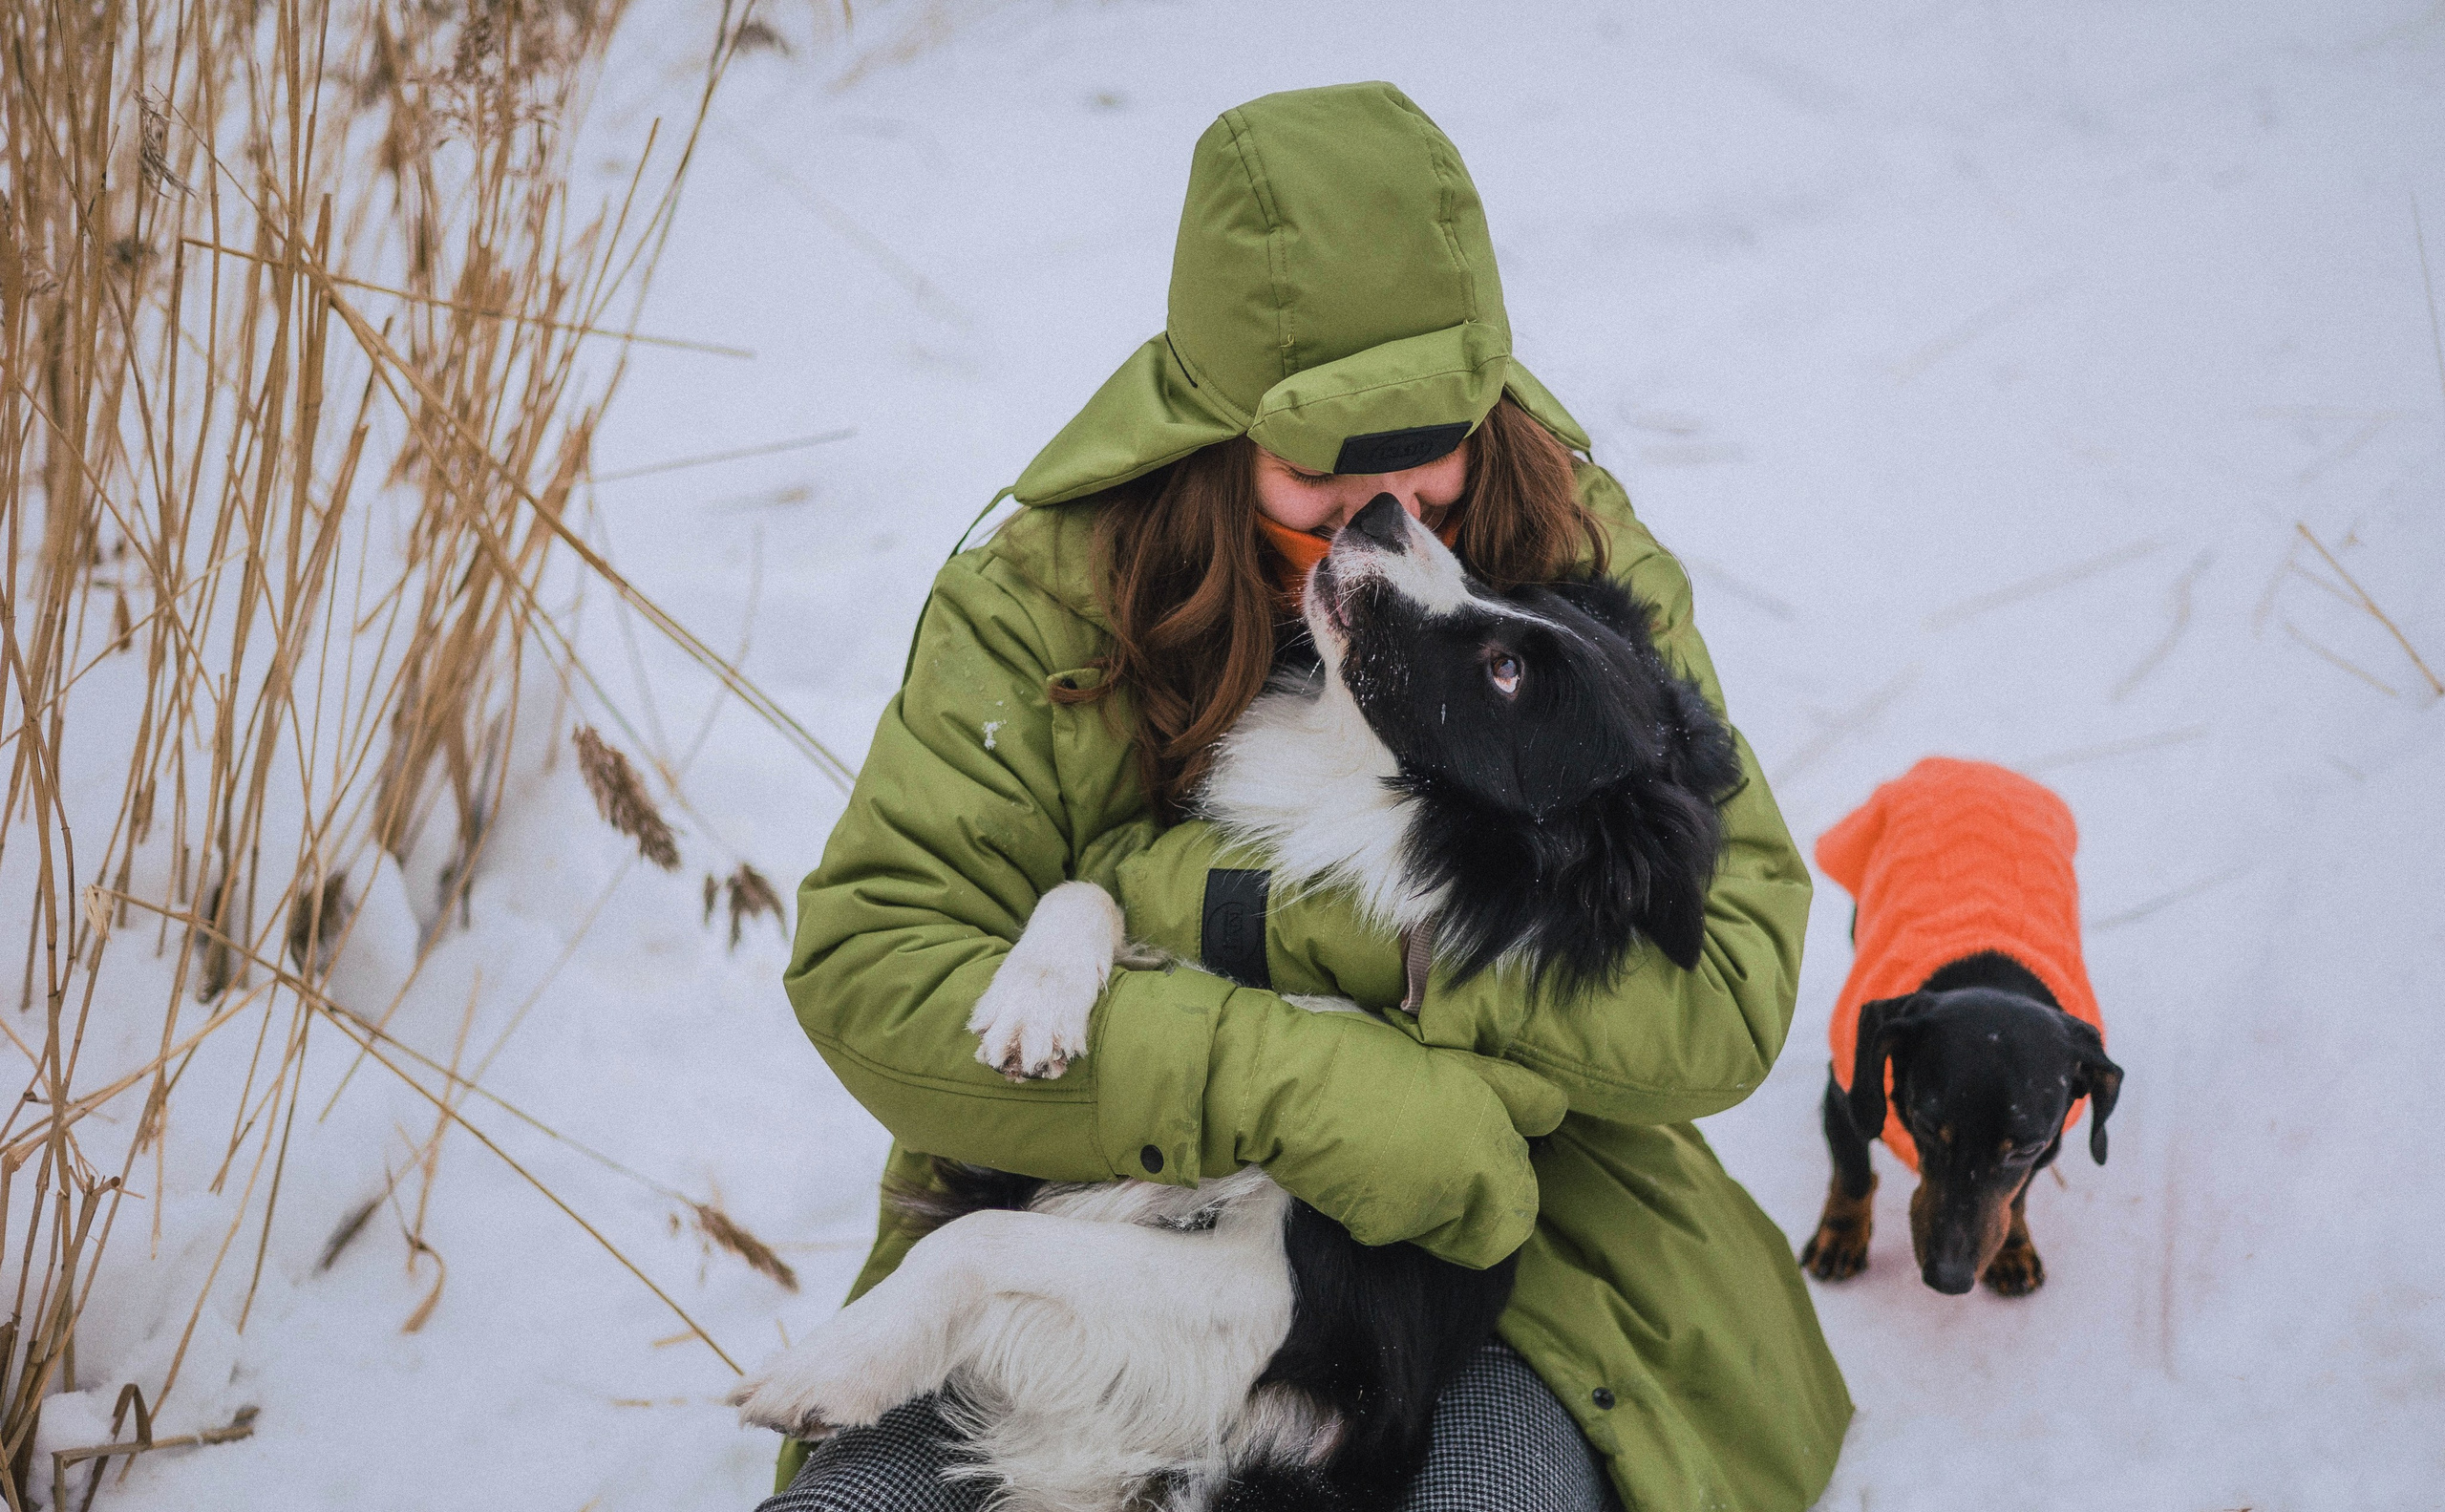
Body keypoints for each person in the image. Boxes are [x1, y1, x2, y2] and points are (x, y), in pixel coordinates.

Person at [763, 82, 1850, 1512]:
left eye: (1428, 451)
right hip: (1089, 1196)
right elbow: (872, 965)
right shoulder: (1041, 599)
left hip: (1523, 1241)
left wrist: (1409, 961)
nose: (1388, 510)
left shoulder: (1577, 565)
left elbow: (1728, 986)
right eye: (1321, 470)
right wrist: (1305, 1069)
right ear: (1211, 430)